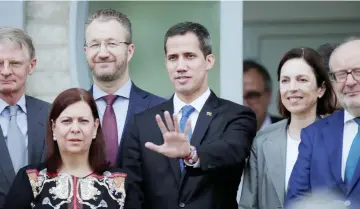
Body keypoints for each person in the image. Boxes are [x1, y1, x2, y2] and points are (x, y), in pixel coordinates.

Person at [121, 22, 257, 209]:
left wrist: (192, 153)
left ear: (209, 61)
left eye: (190, 56)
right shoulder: (142, 123)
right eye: (173, 58)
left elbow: (231, 151)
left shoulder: (237, 115)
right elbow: (132, 194)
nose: (180, 66)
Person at [3, 88, 139, 209]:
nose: (75, 129)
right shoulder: (31, 179)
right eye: (67, 121)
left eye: (83, 121)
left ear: (95, 127)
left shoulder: (121, 182)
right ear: (53, 128)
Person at [239, 47, 336, 209]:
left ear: (321, 89)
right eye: (285, 80)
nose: (292, 88)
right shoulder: (261, 142)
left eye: (302, 80)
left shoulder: (338, 138)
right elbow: (247, 206)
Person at [84, 8, 165, 166]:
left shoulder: (159, 111)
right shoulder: (69, 112)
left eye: (112, 44)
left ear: (130, 51)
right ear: (85, 51)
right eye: (95, 45)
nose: (102, 53)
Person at [285, 39, 360, 208]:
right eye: (341, 75)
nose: (349, 82)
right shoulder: (314, 134)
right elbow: (296, 200)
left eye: (358, 71)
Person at [0, 27, 50, 208]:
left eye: (14, 63)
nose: (6, 71)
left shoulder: (52, 116)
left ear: (32, 65)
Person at [243, 60, 282, 132]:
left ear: (269, 96)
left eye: (252, 95)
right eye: (238, 97)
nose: (244, 104)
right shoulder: (218, 135)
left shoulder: (292, 132)